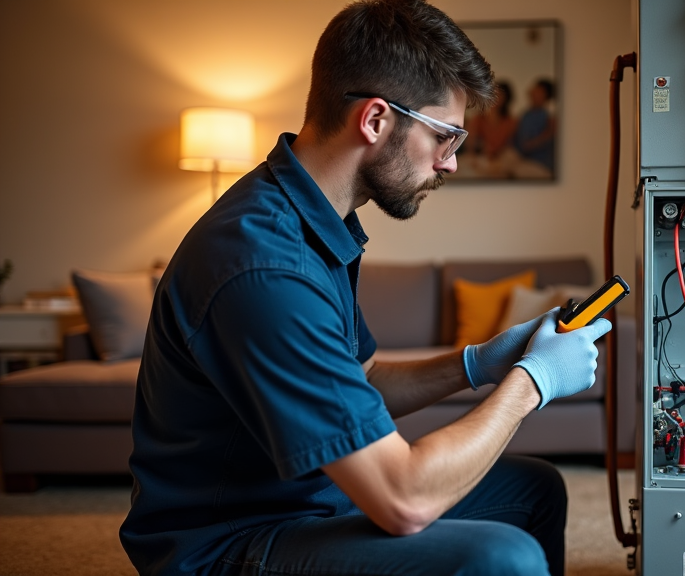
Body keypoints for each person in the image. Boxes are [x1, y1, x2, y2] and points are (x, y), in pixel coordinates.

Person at [118, 2, 610, 576]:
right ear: (376, 120)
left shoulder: (311, 218)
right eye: (445, 137)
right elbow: (405, 499)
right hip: (228, 543)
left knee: (533, 489)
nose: (450, 164)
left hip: (309, 498)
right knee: (504, 557)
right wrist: (534, 382)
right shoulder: (264, 267)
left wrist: (479, 364)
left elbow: (365, 378)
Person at [513, 78, 557, 177]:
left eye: (537, 90)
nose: (531, 92)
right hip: (525, 161)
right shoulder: (526, 115)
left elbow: (526, 145)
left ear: (545, 95)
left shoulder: (545, 117)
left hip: (540, 165)